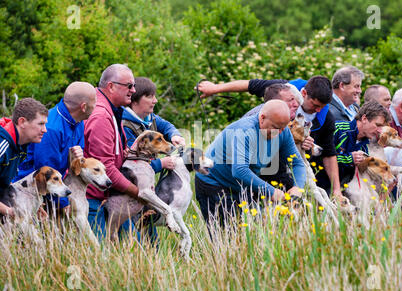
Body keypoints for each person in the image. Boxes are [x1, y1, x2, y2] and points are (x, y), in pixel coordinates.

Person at [197, 76, 343, 197]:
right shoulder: (276, 92)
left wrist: (298, 187)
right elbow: (250, 84)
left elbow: (301, 161)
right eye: (290, 101)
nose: (318, 110)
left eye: (294, 102)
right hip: (215, 180)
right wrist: (215, 88)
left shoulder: (285, 127)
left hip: (252, 172)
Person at [195, 99, 306, 229]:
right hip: (213, 182)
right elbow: (240, 170)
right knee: (226, 235)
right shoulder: (244, 130)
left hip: (240, 185)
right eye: (275, 128)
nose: (279, 133)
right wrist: (271, 191)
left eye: (283, 127)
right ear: (262, 118)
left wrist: (298, 187)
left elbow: (297, 163)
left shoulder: (283, 131)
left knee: (252, 232)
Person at [13, 82, 96, 213]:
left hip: (57, 190)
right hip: (29, 193)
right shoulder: (52, 128)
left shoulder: (78, 123)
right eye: (94, 103)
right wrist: (63, 203)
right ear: (84, 107)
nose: (96, 106)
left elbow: (75, 164)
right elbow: (45, 169)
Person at [122, 76, 185, 244]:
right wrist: (160, 164)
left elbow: (167, 126)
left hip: (145, 195)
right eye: (149, 96)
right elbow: (130, 163)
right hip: (128, 195)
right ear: (135, 100)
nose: (155, 100)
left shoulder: (150, 119)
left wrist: (175, 135)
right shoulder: (125, 125)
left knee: (152, 241)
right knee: (133, 242)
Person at [83, 63, 142, 241]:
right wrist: (138, 193)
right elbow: (106, 168)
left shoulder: (111, 109)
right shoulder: (101, 116)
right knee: (99, 256)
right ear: (111, 86)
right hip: (93, 199)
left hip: (108, 196)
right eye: (129, 86)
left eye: (134, 86)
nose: (133, 90)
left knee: (134, 246)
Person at [0, 98, 48, 219]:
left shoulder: (21, 145)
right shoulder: (2, 145)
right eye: (40, 124)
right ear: (22, 122)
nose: (45, 130)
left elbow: (4, 182)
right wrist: (10, 211)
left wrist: (31, 205)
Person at [334, 101, 391, 184]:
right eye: (378, 125)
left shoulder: (364, 147)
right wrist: (349, 158)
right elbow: (320, 157)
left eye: (382, 127)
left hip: (342, 189)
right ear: (364, 119)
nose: (380, 131)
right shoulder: (338, 129)